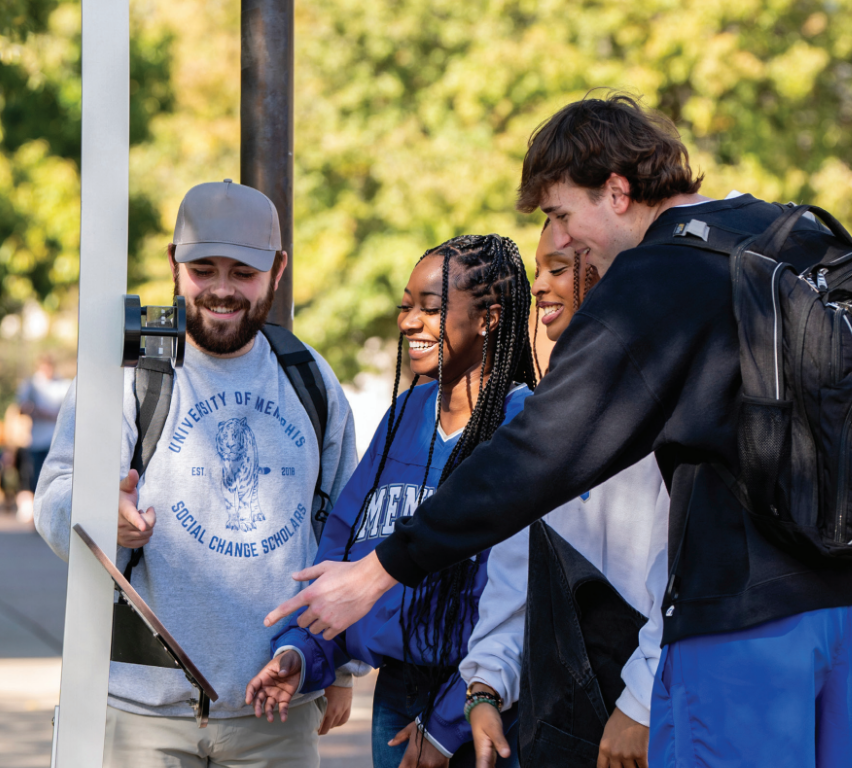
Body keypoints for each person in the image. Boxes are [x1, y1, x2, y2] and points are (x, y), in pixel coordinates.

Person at [266, 94, 852, 767]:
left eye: (562, 214)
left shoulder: (655, 277)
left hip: (741, 627)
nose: (563, 239)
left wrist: (378, 571)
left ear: (618, 191)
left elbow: (536, 454)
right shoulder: (782, 231)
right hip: (837, 606)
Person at [34, 180, 358, 767]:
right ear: (174, 266)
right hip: (139, 712)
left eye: (243, 272)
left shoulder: (309, 378)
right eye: (203, 269)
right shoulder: (128, 373)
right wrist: (96, 512)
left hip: (275, 712)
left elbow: (344, 528)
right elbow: (55, 492)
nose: (222, 290)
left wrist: (341, 666)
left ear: (278, 270)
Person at [246, 234, 537, 768]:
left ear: (489, 319)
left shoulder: (527, 427)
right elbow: (345, 547)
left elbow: (523, 601)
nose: (409, 323)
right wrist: (303, 652)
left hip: (485, 705)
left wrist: (447, 725)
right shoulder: (406, 412)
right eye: (406, 306)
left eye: (431, 308)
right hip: (398, 694)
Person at [462, 221, 667, 768]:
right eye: (536, 274)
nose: (541, 288)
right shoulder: (536, 420)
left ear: (606, 273)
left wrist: (641, 705)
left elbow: (684, 577)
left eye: (557, 269)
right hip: (560, 721)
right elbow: (515, 576)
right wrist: (485, 686)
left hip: (650, 722)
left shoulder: (668, 413)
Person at [16, 355, 70, 521]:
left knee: (55, 479)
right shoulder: (30, 385)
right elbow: (21, 408)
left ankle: (49, 516)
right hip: (38, 440)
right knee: (37, 478)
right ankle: (37, 516)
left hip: (57, 440)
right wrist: (38, 412)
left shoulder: (63, 384)